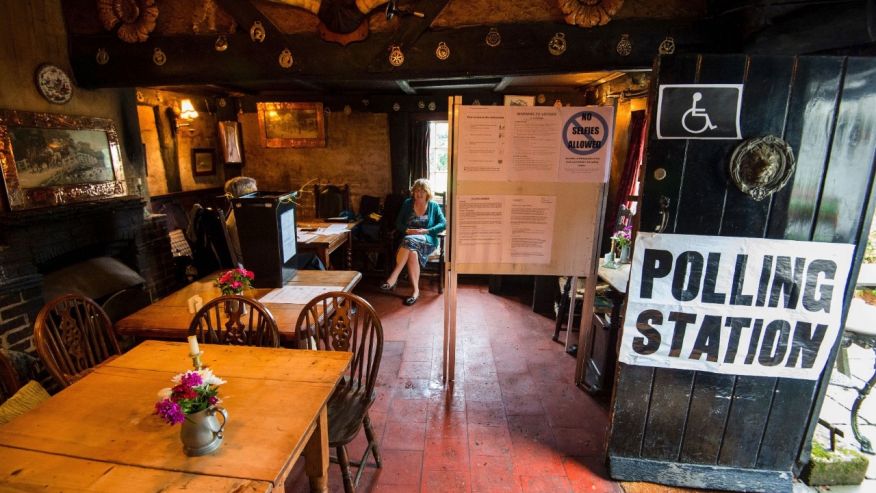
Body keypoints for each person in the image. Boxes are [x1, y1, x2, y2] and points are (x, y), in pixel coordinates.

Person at [380, 178, 446, 306]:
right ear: (413, 192)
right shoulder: (407, 203)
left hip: (427, 241)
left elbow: (444, 223)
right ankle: (415, 291)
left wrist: (427, 231)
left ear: (427, 193)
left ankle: (394, 276)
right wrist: (407, 230)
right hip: (410, 243)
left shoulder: (433, 206)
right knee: (412, 252)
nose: (419, 194)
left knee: (408, 240)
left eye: (422, 191)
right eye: (416, 190)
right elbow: (398, 223)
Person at [223, 176, 258, 266]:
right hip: (251, 265)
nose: (257, 196)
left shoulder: (237, 212)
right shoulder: (241, 217)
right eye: (254, 193)